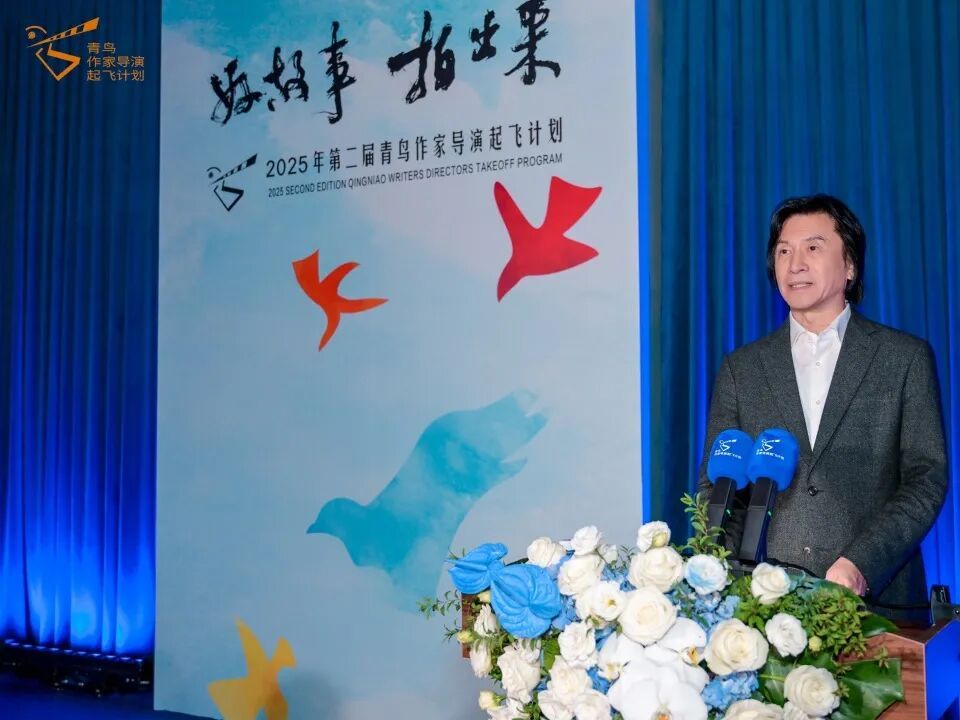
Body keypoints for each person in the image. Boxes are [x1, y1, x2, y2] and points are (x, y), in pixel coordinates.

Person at [699, 194, 947, 621]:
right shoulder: (742, 368)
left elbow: (926, 480)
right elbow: (718, 485)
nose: (795, 264)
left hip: (879, 609)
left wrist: (862, 564)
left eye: (813, 247)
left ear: (850, 265)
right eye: (783, 251)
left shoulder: (903, 358)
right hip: (766, 614)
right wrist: (729, 583)